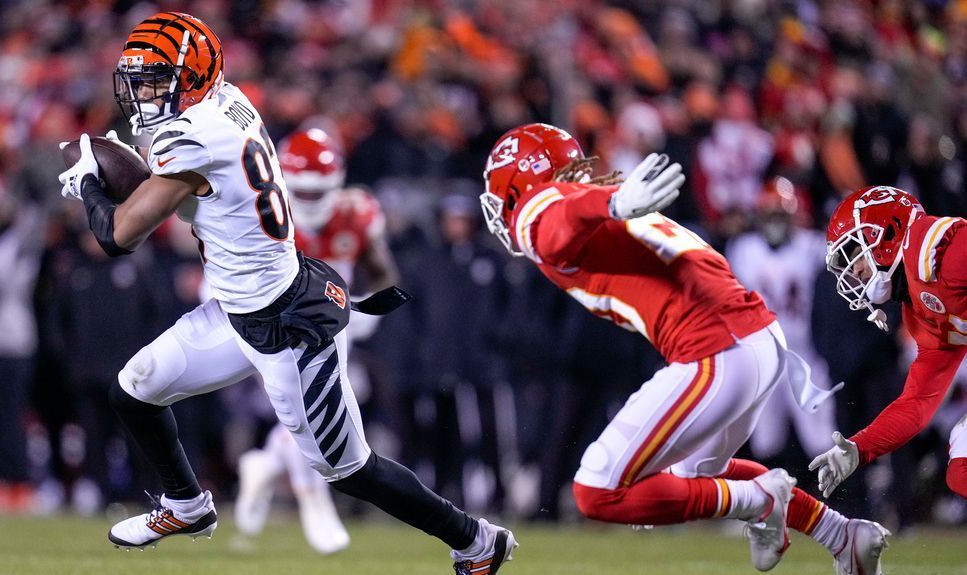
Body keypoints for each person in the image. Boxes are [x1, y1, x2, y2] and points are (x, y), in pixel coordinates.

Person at [57, 13, 515, 575]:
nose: (144, 94)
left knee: (349, 469)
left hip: (285, 324)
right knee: (134, 389)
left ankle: (476, 540)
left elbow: (119, 237)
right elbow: (196, 195)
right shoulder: (225, 101)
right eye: (139, 81)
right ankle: (186, 506)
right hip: (237, 310)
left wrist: (88, 184)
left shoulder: (191, 134)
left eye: (155, 81)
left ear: (193, 77)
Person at [479, 123, 887, 574]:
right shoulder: (600, 202)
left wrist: (608, 204)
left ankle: (761, 501)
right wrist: (610, 203)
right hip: (757, 339)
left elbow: (551, 220)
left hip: (717, 349)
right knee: (699, 477)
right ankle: (841, 534)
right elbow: (575, 213)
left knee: (596, 489)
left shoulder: (551, 208)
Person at [234, 127, 399, 555]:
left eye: (317, 191)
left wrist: (366, 312)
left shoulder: (355, 213)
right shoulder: (259, 209)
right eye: (302, 191)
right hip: (265, 320)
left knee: (309, 412)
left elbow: (384, 273)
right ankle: (315, 502)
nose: (308, 200)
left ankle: (266, 463)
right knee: (309, 410)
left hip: (328, 323)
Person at [812, 185, 967, 507]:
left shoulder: (942, 253)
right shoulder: (920, 310)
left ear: (889, 232)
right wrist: (860, 448)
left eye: (854, 251)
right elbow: (916, 404)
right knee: (960, 470)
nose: (854, 270)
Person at [725, 178, 839, 467]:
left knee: (821, 439)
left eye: (780, 215)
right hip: (762, 357)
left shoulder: (810, 245)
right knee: (765, 441)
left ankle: (828, 493)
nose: (775, 222)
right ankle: (769, 492)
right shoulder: (744, 249)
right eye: (770, 215)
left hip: (804, 352)